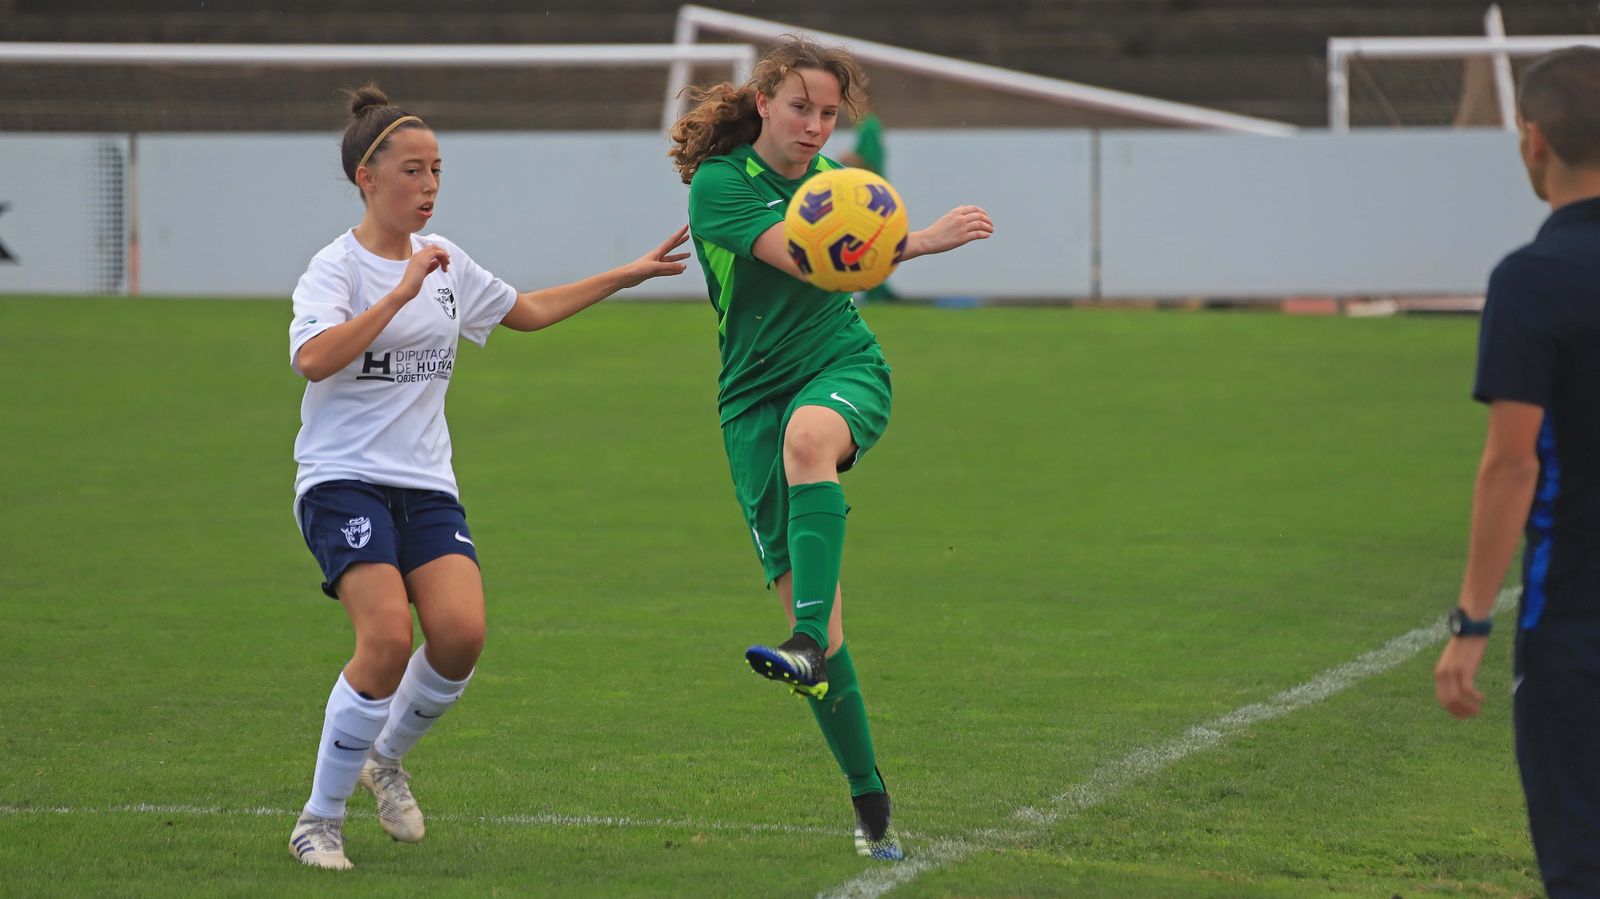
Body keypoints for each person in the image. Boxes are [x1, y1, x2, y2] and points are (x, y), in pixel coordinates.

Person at [286, 84, 688, 870]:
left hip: (427, 483)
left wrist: (626, 274)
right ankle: (318, 819)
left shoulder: (447, 261)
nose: (429, 185)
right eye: (412, 170)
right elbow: (312, 357)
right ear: (366, 178)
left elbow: (525, 310)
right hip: (342, 479)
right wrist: (397, 293)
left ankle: (386, 759)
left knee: (462, 634)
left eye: (437, 170)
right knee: (387, 637)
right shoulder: (334, 269)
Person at [668, 36, 993, 861]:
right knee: (825, 637)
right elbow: (810, 258)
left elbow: (840, 264)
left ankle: (804, 641)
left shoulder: (834, 184)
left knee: (809, 437)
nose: (816, 126)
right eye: (802, 108)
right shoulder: (720, 185)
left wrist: (901, 236)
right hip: (751, 403)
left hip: (843, 366)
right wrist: (918, 241)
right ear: (765, 101)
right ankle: (869, 798)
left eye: (828, 113)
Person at [1433, 45, 1600, 897]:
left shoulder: (1533, 280)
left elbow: (1511, 466)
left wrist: (1469, 622)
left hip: (1575, 619)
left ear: (1531, 141)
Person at [838, 107, 898, 302]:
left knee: (872, 242)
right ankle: (877, 289)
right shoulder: (868, 126)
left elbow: (870, 162)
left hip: (872, 195)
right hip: (872, 193)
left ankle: (877, 291)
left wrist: (849, 159)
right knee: (872, 241)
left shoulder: (869, 127)